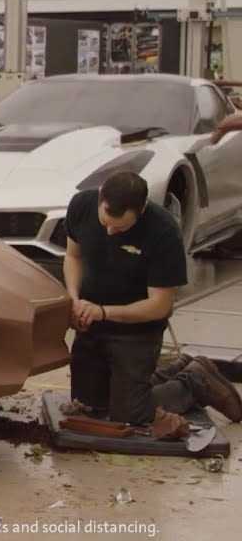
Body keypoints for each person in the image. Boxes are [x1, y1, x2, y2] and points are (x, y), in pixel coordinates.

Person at [64, 171, 241, 429]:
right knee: (89, 406)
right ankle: (174, 369)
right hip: (91, 326)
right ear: (101, 197)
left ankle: (195, 380)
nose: (111, 232)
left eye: (120, 227)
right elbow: (73, 256)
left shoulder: (163, 231)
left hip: (136, 334)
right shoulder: (81, 206)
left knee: (129, 414)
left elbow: (160, 306)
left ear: (142, 209)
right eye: (105, 223)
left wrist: (103, 312)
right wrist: (73, 299)